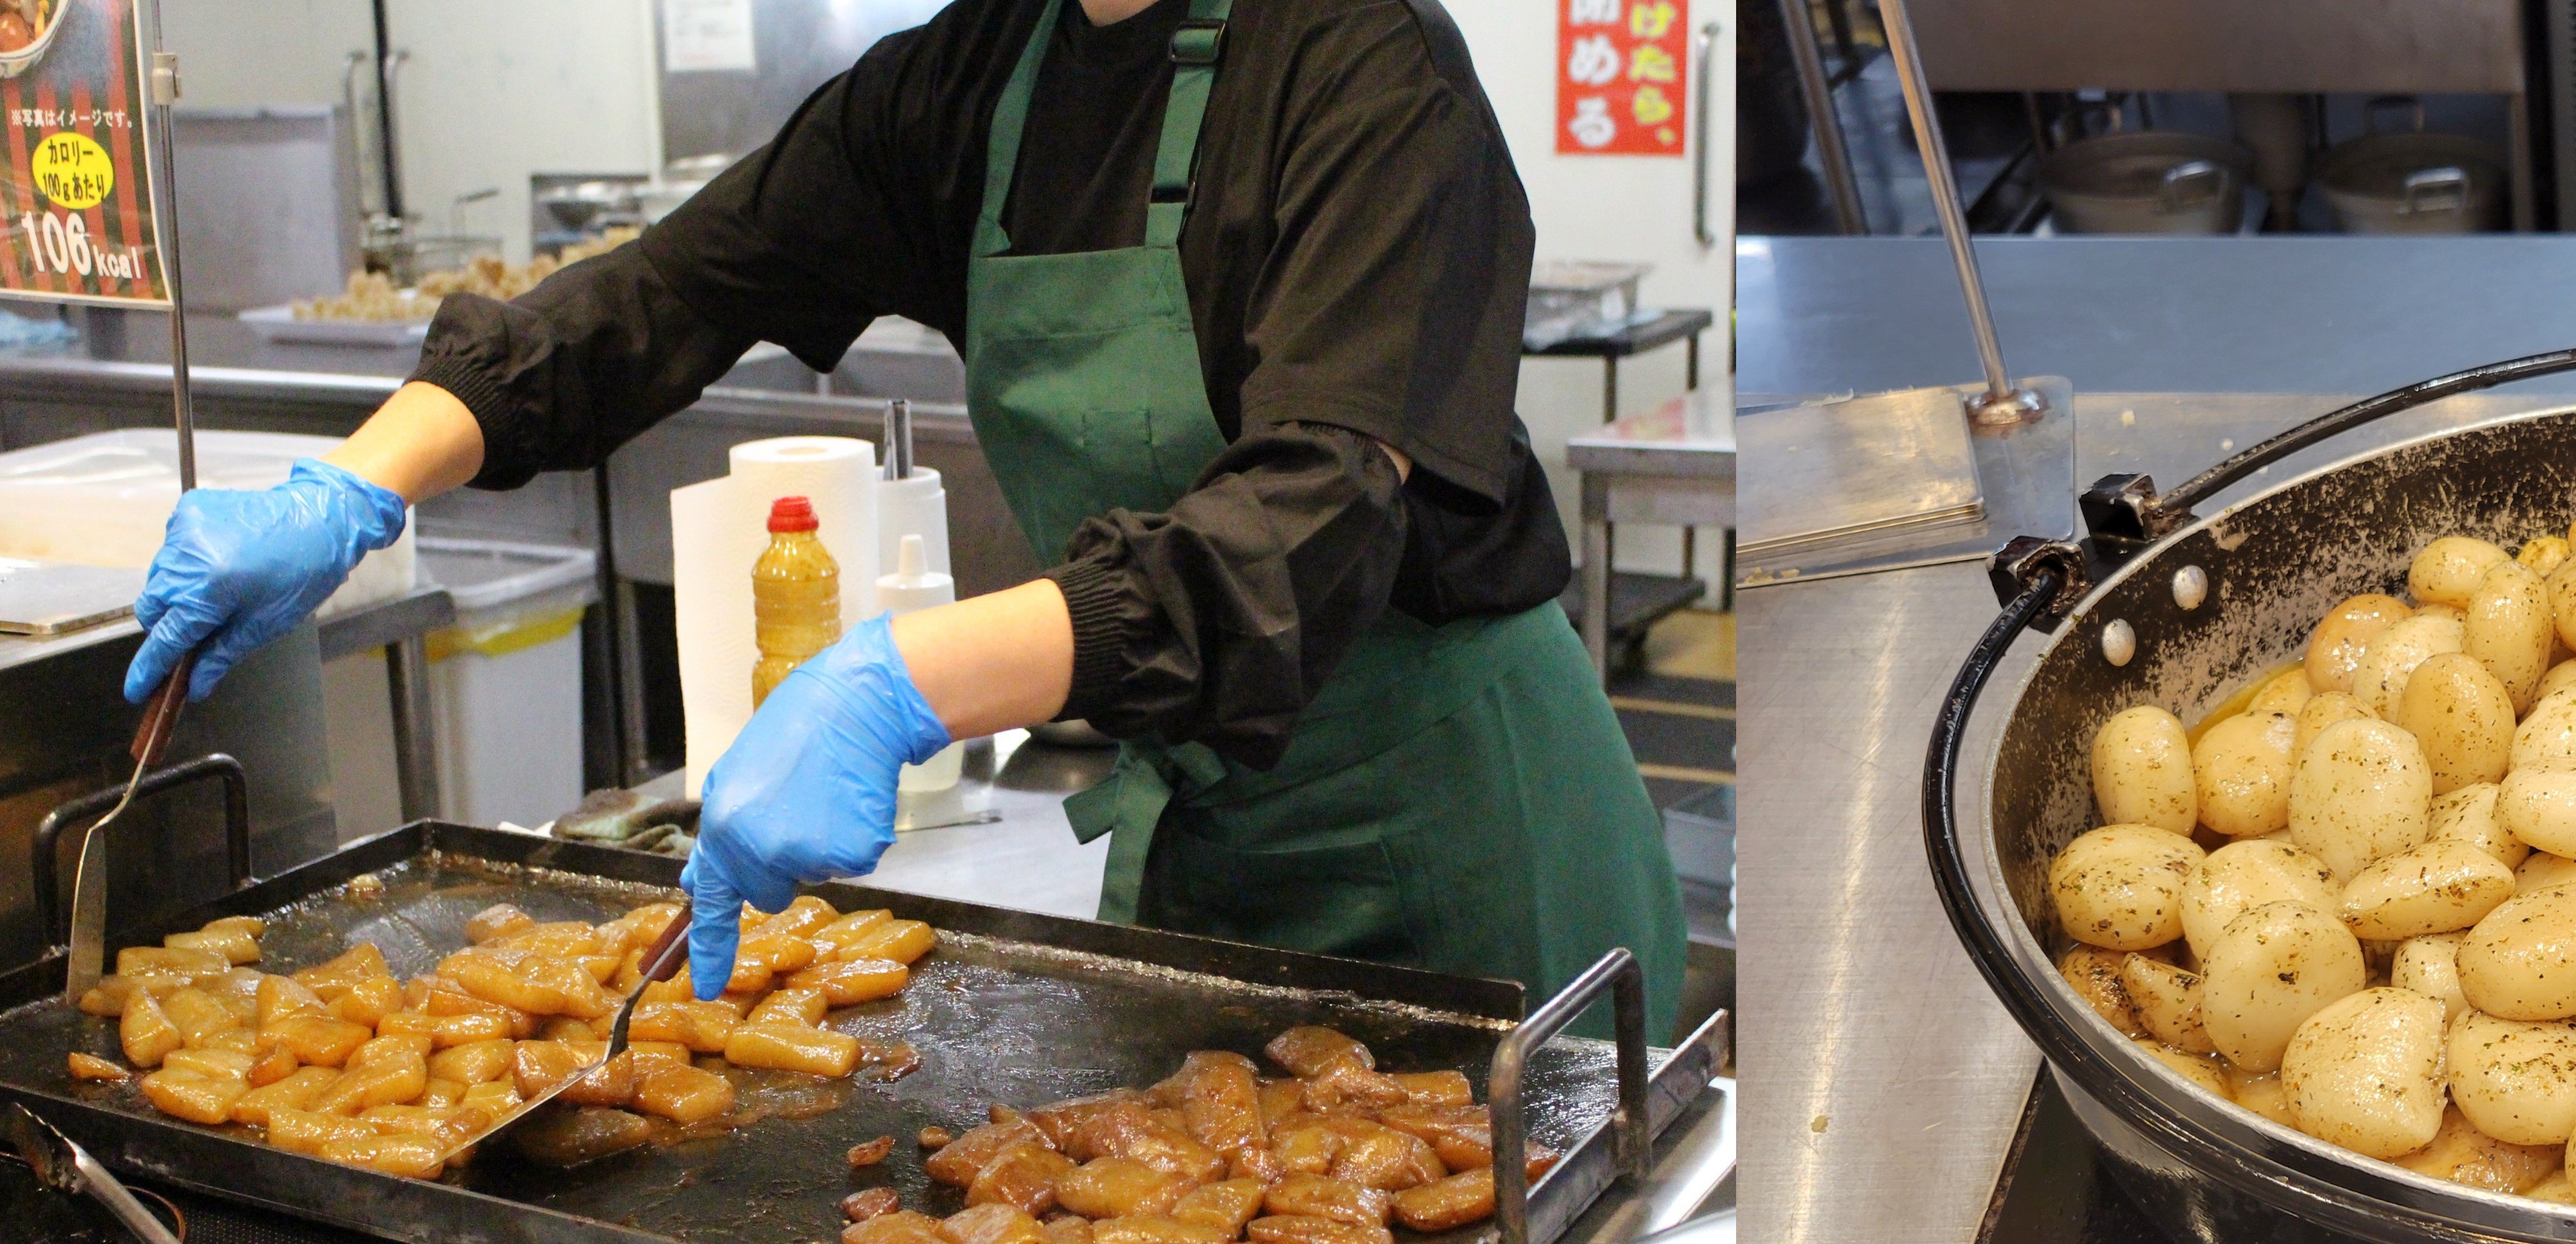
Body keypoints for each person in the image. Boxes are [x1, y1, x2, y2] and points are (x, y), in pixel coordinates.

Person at [121, 0, 1686, 1039]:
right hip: (1216, 834)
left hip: (1464, 840)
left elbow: (1308, 525)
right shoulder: (977, 80)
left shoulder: (1363, 64)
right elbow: (679, 283)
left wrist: (903, 680)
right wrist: (357, 480)